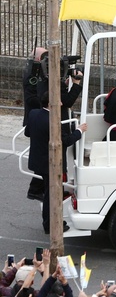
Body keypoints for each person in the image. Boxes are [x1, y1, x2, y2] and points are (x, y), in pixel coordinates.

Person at [24, 92, 87, 234]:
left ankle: (46, 214)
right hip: (51, 165)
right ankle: (50, 225)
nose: (61, 104)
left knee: (48, 194)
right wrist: (79, 130)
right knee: (51, 196)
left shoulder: (33, 114)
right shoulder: (54, 122)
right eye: (59, 102)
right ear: (51, 104)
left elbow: (28, 133)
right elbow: (66, 141)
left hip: (38, 161)